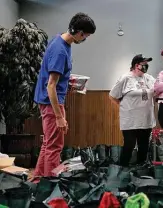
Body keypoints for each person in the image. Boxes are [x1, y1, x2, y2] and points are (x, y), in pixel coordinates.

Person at [33, 13, 96, 178]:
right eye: (86, 36)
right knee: (55, 147)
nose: (85, 39)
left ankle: (39, 179)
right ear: (80, 33)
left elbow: (53, 76)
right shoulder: (61, 50)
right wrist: (59, 116)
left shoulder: (59, 40)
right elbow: (51, 85)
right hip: (52, 103)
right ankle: (53, 187)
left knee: (48, 143)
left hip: (49, 100)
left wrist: (69, 82)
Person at [109, 54, 156, 167]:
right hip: (130, 119)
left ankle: (141, 170)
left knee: (144, 145)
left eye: (147, 64)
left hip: (146, 118)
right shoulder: (126, 78)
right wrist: (124, 106)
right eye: (144, 64)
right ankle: (123, 169)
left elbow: (157, 90)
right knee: (129, 145)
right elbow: (112, 96)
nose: (146, 66)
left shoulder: (149, 78)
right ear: (136, 65)